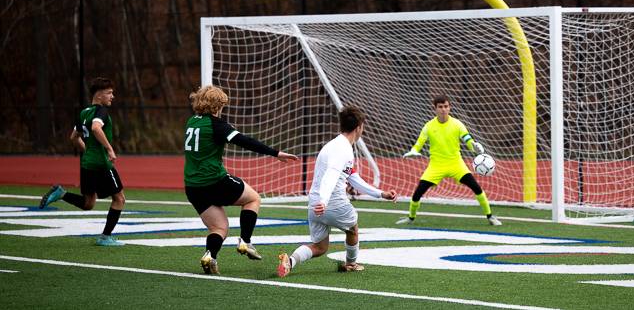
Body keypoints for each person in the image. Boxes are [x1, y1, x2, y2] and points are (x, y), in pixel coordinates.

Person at [183, 85, 298, 275]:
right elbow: (244, 141)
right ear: (216, 105)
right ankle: (246, 241)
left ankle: (210, 256)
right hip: (214, 181)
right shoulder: (217, 125)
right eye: (221, 105)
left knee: (218, 227)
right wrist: (275, 153)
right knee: (253, 199)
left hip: (193, 187)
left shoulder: (191, 122)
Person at [277, 105, 397, 277]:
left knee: (320, 247)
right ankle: (351, 263)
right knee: (353, 229)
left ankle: (290, 261)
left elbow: (353, 178)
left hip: (314, 203)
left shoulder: (333, 145)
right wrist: (324, 202)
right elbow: (331, 175)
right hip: (331, 202)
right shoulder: (343, 149)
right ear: (359, 127)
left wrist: (380, 194)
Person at [39, 77, 128, 246]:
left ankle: (61, 193)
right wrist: (109, 149)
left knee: (88, 203)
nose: (112, 96)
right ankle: (105, 237)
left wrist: (88, 151)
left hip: (87, 164)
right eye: (109, 93)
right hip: (102, 164)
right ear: (99, 95)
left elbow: (73, 137)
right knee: (119, 199)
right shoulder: (101, 111)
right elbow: (95, 128)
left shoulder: (83, 112)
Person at [397, 95, 502, 226]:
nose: (443, 109)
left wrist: (474, 146)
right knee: (418, 192)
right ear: (434, 108)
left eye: (446, 106)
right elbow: (419, 143)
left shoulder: (457, 124)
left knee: (476, 188)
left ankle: (490, 217)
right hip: (436, 166)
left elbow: (467, 139)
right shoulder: (428, 126)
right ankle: (410, 218)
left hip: (456, 164)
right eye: (440, 107)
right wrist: (414, 150)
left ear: (449, 107)